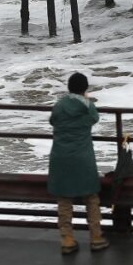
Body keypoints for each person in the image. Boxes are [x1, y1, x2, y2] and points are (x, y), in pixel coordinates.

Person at [47, 72, 109, 254]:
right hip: (83, 157)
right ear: (85, 88)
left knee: (64, 199)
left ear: (68, 87)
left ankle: (67, 240)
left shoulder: (59, 106)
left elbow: (53, 121)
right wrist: (86, 99)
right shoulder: (87, 107)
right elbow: (95, 119)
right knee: (91, 198)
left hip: (61, 157)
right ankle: (96, 237)